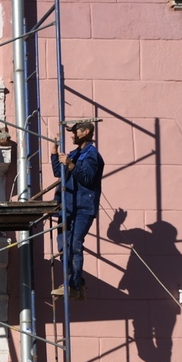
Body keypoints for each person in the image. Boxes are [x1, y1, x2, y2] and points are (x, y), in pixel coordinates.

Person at [50, 120, 104, 300]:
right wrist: (54, 152)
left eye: (75, 131)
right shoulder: (75, 153)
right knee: (64, 245)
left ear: (86, 131)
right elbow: (59, 172)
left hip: (82, 207)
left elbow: (87, 178)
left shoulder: (92, 155)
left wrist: (71, 165)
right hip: (67, 206)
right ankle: (75, 282)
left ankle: (72, 285)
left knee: (74, 244)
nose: (72, 135)